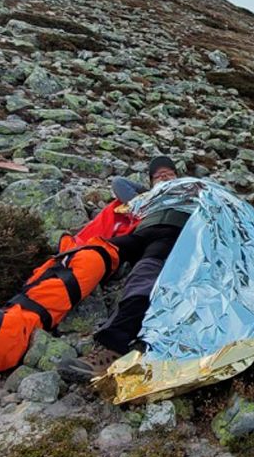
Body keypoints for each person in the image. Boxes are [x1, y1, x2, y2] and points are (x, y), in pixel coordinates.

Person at [63, 155, 188, 378]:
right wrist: (151, 191)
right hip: (140, 234)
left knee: (142, 277)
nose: (163, 176)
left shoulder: (190, 192)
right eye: (157, 175)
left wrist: (175, 185)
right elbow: (119, 183)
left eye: (169, 172)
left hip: (168, 236)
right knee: (93, 251)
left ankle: (113, 348)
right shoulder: (146, 197)